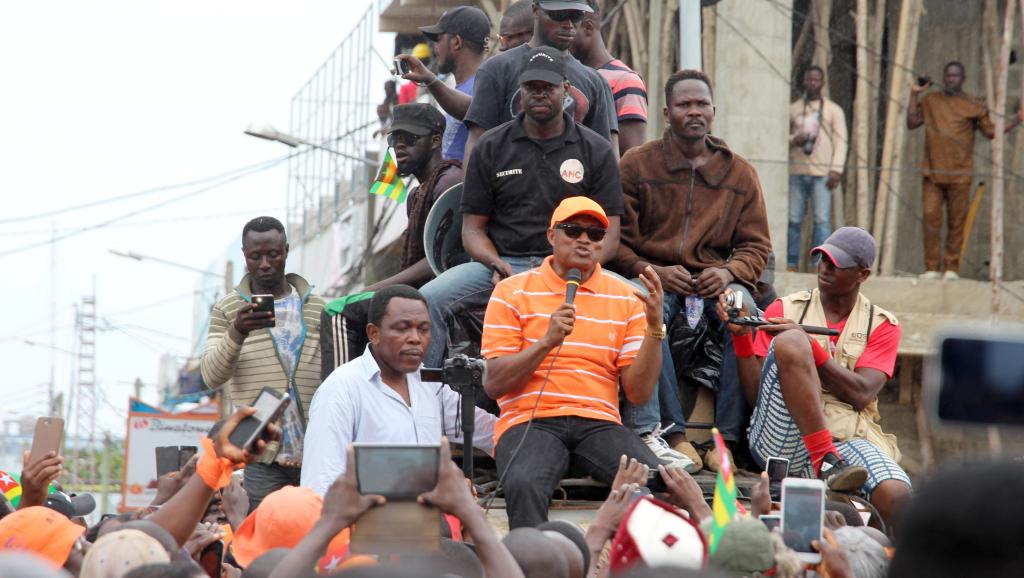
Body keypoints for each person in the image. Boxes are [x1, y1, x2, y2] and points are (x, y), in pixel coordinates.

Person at [418, 46, 624, 368]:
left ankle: (645, 419)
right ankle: (425, 406)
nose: (539, 94)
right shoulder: (491, 145)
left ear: (566, 90)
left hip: (572, 267)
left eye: (548, 87)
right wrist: (495, 262)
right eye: (531, 87)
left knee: (642, 303)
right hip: (502, 266)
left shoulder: (594, 149)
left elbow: (610, 232)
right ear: (521, 91)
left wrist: (582, 267)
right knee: (427, 301)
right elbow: (472, 229)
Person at [613, 69, 771, 473]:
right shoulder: (636, 165)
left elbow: (757, 247)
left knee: (744, 307)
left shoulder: (739, 173)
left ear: (714, 111)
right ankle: (673, 435)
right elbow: (616, 244)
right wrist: (654, 271)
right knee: (640, 305)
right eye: (685, 105)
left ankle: (729, 440)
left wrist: (730, 273)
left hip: (715, 283)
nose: (694, 112)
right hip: (657, 280)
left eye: (702, 104)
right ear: (667, 112)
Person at [481, 196, 664, 529]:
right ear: (551, 236)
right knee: (522, 484)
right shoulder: (511, 292)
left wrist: (655, 329)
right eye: (573, 230)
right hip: (530, 421)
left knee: (657, 482)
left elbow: (637, 393)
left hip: (598, 422)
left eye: (595, 234)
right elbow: (494, 383)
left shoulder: (626, 297)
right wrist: (546, 342)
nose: (584, 239)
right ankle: (536, 563)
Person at [719, 226, 912, 531]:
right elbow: (756, 396)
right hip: (783, 435)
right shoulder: (784, 308)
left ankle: (877, 557)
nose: (824, 269)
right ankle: (825, 460)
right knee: (791, 343)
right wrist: (743, 338)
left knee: (898, 496)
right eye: (822, 260)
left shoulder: (883, 324)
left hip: (847, 438)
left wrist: (812, 348)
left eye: (836, 265)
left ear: (862, 274)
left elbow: (861, 394)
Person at [302, 285, 497, 496]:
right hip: (366, 524)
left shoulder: (428, 384)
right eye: (403, 328)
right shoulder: (341, 389)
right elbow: (320, 483)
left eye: (423, 329)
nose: (416, 338)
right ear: (374, 333)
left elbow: (488, 432)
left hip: (428, 523)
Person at [320, 104, 463, 378]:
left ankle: (336, 396)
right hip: (416, 293)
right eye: (393, 140)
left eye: (409, 139)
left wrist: (379, 287)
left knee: (337, 310)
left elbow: (440, 261)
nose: (398, 147)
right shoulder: (415, 195)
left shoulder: (449, 180)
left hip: (438, 290)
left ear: (435, 141)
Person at [200, 216, 326, 510]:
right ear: (245, 255)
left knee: (315, 534)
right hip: (261, 452)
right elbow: (211, 376)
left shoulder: (317, 306)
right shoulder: (228, 309)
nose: (266, 264)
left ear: (286, 250)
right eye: (256, 256)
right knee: (264, 537)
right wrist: (238, 331)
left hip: (317, 449)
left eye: (274, 254)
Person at [462, 0, 618, 165]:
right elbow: (476, 143)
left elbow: (608, 158)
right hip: (509, 185)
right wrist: (471, 189)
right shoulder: (497, 70)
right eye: (559, 15)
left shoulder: (595, 82)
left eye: (576, 16)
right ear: (536, 10)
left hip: (574, 184)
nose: (568, 24)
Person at [908, 61, 1024, 280]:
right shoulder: (931, 100)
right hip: (932, 172)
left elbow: (990, 132)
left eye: (956, 76)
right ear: (944, 77)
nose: (951, 79)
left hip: (960, 174)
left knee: (956, 222)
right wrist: (914, 94)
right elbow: (912, 122)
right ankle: (931, 267)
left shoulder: (973, 103)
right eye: (948, 75)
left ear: (963, 79)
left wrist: (1015, 121)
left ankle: (951, 268)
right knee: (930, 217)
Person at [396, 6, 490, 162]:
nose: (435, 47)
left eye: (438, 39)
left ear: (456, 42)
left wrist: (430, 80)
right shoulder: (463, 88)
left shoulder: (484, 87)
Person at [788, 65, 847, 272]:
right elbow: (780, 139)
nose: (812, 83)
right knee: (794, 218)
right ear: (803, 82)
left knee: (822, 219)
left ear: (822, 83)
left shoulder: (833, 110)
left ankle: (820, 263)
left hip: (823, 173)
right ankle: (791, 262)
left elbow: (841, 141)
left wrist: (836, 169)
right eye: (809, 80)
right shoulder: (793, 109)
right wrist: (795, 139)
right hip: (796, 171)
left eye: (816, 80)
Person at [570, 0, 648, 155]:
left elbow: (630, 158)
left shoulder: (624, 81)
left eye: (568, 28)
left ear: (587, 27)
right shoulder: (566, 76)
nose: (562, 35)